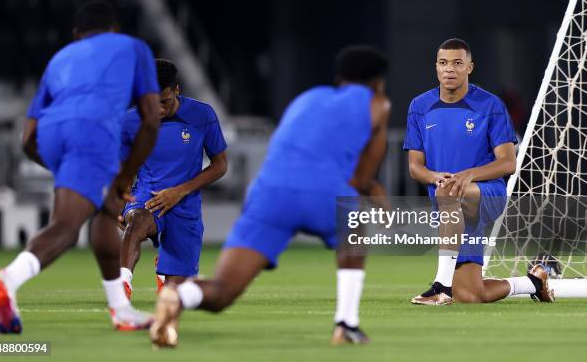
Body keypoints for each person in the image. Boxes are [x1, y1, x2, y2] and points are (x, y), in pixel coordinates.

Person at [149, 45, 392, 347]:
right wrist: (376, 197)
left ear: (340, 77)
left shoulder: (307, 99)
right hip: (320, 191)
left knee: (223, 291)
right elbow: (361, 179)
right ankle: (346, 324)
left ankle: (178, 295)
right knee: (354, 228)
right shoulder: (377, 104)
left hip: (267, 193)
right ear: (378, 82)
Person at [0, 0, 161, 333]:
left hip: (52, 131)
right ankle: (7, 279)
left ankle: (120, 309)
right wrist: (125, 177)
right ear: (114, 30)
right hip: (92, 128)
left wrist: (72, 173)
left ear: (77, 34)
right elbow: (151, 120)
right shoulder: (132, 47)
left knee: (106, 211)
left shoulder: (60, 58)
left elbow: (27, 139)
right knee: (67, 228)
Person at [404, 38, 554, 305]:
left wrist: (469, 174)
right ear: (436, 67)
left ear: (470, 67)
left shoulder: (490, 105)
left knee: (450, 190)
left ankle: (440, 287)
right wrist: (436, 176)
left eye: (457, 63)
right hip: (451, 210)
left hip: (486, 194)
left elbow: (508, 163)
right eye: (443, 63)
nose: (449, 69)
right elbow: (415, 167)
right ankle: (533, 282)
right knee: (472, 295)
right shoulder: (419, 106)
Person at [118, 59, 227, 299]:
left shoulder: (202, 115)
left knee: (173, 296)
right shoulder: (129, 122)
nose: (158, 110)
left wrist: (180, 191)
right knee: (136, 221)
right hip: (148, 195)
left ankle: (165, 264)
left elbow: (220, 165)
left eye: (165, 102)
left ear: (177, 90)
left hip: (185, 204)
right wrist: (120, 203)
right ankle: (121, 288)